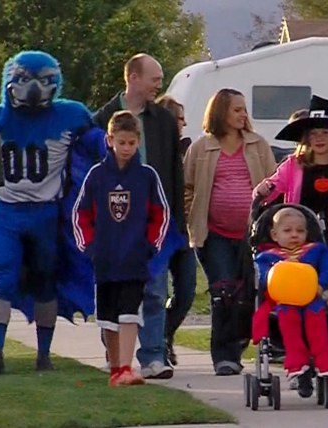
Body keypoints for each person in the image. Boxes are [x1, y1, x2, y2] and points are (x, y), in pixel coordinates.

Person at [0, 50, 102, 375]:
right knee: (3, 279)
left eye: (42, 81)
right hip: (6, 212)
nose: (33, 89)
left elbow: (98, 149)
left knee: (46, 281)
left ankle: (44, 355)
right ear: (10, 81)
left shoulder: (71, 117)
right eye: (26, 80)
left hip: (46, 213)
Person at [92, 53, 183, 379]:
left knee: (155, 291)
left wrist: (176, 223)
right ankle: (115, 356)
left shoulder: (162, 120)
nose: (159, 84)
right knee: (116, 294)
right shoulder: (101, 118)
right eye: (154, 79)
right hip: (114, 226)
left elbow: (174, 171)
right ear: (133, 78)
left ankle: (154, 357)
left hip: (152, 223)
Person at [184, 88, 277, 375]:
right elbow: (187, 187)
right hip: (214, 235)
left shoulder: (257, 145)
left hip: (252, 235)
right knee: (222, 292)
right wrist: (192, 212)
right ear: (220, 111)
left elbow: (274, 183)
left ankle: (237, 347)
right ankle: (223, 356)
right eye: (236, 109)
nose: (243, 114)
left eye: (244, 109)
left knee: (246, 294)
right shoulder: (201, 148)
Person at [73, 111, 170, 386]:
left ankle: (127, 367)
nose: (126, 148)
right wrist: (89, 246)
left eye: (132, 143)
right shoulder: (97, 175)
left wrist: (151, 245)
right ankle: (115, 368)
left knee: (130, 313)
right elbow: (81, 214)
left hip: (134, 259)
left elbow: (160, 213)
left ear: (138, 142)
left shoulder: (146, 176)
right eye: (121, 142)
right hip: (104, 259)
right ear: (110, 140)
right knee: (108, 319)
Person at [251, 207, 328, 397]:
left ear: (307, 233)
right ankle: (299, 365)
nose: (294, 235)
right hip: (284, 300)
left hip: (312, 298)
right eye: (287, 231)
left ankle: (325, 365)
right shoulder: (267, 257)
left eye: (300, 231)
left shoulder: (317, 251)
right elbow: (263, 279)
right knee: (288, 320)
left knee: (318, 325)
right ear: (274, 234)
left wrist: (321, 285)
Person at [155, 94, 196, 366]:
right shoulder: (154, 150)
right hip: (156, 232)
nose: (184, 123)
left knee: (186, 290)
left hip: (182, 231)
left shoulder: (187, 150)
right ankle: (155, 344)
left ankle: (165, 334)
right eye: (180, 118)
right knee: (156, 294)